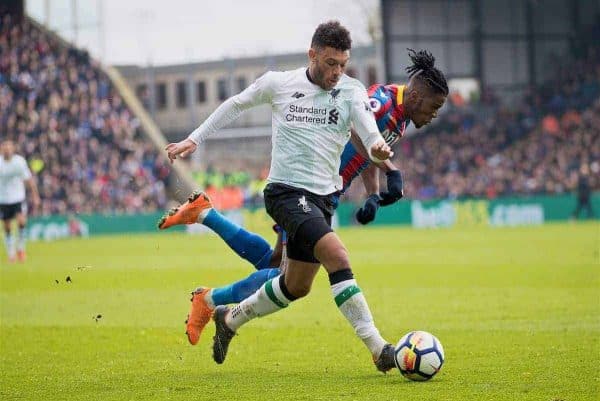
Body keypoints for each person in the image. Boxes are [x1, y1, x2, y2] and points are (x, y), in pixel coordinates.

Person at [162, 21, 427, 373]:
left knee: (295, 285)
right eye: (330, 63)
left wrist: (380, 151)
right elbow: (236, 104)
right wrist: (194, 139)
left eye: (342, 64)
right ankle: (379, 349)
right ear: (312, 54)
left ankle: (229, 319)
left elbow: (368, 133)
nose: (336, 72)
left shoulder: (351, 91)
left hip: (324, 198)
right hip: (285, 192)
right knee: (337, 255)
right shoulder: (280, 83)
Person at [0, 140, 40, 263]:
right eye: (5, 147)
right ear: (2, 149)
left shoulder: (19, 162)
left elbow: (29, 179)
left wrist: (35, 196)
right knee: (7, 226)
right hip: (3, 199)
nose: (7, 150)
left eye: (9, 147)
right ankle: (11, 253)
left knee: (21, 221)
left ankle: (21, 249)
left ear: (13, 149)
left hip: (18, 197)